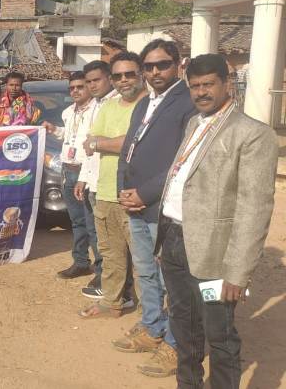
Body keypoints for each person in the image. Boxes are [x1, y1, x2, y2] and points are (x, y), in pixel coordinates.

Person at [158, 54, 278, 387]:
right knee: (184, 327)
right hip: (175, 243)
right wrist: (164, 240)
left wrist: (238, 271)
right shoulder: (195, 123)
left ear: (227, 84)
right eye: (195, 86)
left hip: (215, 258)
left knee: (219, 334)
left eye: (209, 84)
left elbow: (254, 208)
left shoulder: (252, 134)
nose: (201, 92)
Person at [113, 39, 196, 375]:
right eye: (148, 66)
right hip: (134, 203)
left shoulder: (188, 103)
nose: (155, 71)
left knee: (172, 280)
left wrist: (145, 194)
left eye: (162, 64)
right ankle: (152, 326)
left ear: (178, 64)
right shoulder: (144, 103)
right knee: (146, 272)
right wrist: (122, 191)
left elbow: (183, 160)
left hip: (163, 206)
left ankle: (176, 344)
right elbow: (128, 151)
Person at [78, 52, 146, 319]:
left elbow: (135, 143)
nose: (124, 80)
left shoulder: (150, 107)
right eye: (118, 76)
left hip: (136, 195)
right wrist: (109, 142)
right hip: (105, 191)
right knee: (110, 254)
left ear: (141, 74)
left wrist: (102, 143)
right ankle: (112, 303)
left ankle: (150, 316)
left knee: (144, 259)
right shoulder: (108, 107)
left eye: (129, 74)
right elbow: (89, 141)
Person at [43, 71, 98, 281]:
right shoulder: (68, 112)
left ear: (89, 87)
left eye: (80, 87)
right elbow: (69, 135)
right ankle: (81, 262)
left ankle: (102, 270)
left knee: (93, 224)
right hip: (68, 170)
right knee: (77, 221)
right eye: (72, 88)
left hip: (87, 171)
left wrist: (84, 176)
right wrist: (54, 129)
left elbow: (93, 147)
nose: (75, 91)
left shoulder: (97, 110)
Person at [75, 60, 120, 293]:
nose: (92, 85)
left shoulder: (118, 104)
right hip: (92, 182)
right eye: (89, 81)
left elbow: (102, 143)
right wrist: (83, 177)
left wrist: (96, 144)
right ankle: (103, 277)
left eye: (97, 80)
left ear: (109, 79)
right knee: (96, 234)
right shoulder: (96, 105)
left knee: (111, 240)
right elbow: (88, 147)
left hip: (109, 184)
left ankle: (112, 285)